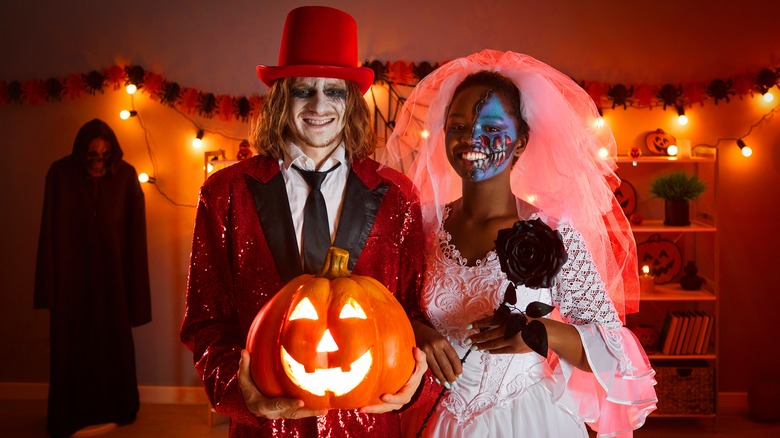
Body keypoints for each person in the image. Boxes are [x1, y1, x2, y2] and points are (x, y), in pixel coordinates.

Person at [180, 6, 433, 438]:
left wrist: (417, 381)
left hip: (367, 424)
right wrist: (242, 396)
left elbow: (415, 313)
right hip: (267, 427)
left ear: (350, 102)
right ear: (282, 97)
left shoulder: (397, 196)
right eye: (303, 91)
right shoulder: (225, 194)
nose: (319, 105)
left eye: (333, 91)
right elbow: (205, 322)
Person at [383, 50, 657, 437]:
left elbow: (613, 353)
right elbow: (384, 310)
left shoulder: (552, 232)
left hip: (527, 419)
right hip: (434, 420)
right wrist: (418, 332)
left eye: (491, 128)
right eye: (457, 126)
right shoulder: (423, 225)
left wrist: (538, 333)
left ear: (521, 141)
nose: (471, 139)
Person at [34, 118, 151, 438]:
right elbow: (49, 233)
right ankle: (70, 413)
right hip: (70, 281)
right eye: (92, 156)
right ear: (80, 154)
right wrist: (50, 289)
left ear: (112, 154)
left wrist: (135, 296)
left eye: (104, 155)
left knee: (112, 346)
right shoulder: (60, 175)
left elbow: (135, 238)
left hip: (113, 281)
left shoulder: (126, 177)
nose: (99, 161)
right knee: (71, 349)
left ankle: (117, 407)